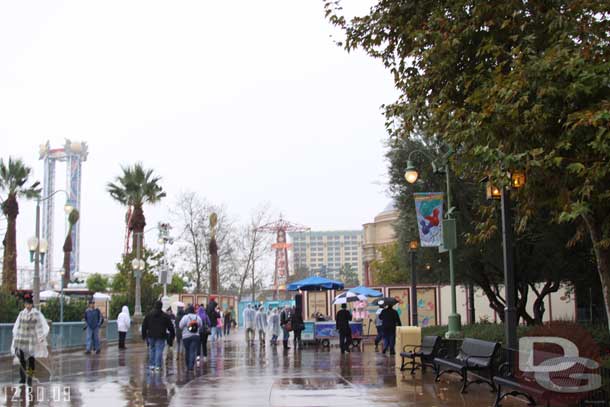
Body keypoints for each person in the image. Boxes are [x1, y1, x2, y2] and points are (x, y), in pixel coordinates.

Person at [11, 294, 49, 386]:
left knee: (31, 359)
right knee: (22, 359)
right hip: (21, 339)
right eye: (26, 304)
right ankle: (23, 377)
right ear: (24, 305)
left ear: (32, 304)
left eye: (29, 304)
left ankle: (30, 377)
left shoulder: (37, 314)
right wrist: (15, 336)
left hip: (31, 340)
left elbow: (40, 326)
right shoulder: (21, 314)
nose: (28, 306)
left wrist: (41, 337)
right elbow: (17, 326)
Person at [142, 301, 175, 371]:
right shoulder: (165, 316)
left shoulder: (149, 315)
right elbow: (170, 326)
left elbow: (144, 325)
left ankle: (152, 365)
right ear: (161, 306)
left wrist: (144, 335)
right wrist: (172, 334)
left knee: (152, 350)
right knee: (159, 350)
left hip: (151, 335)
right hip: (161, 335)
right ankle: (157, 365)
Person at [178, 305, 202, 371]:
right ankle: (191, 366)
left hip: (186, 337)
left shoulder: (185, 317)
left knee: (187, 351)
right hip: (195, 336)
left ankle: (188, 365)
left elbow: (180, 326)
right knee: (192, 351)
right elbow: (201, 325)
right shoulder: (198, 317)